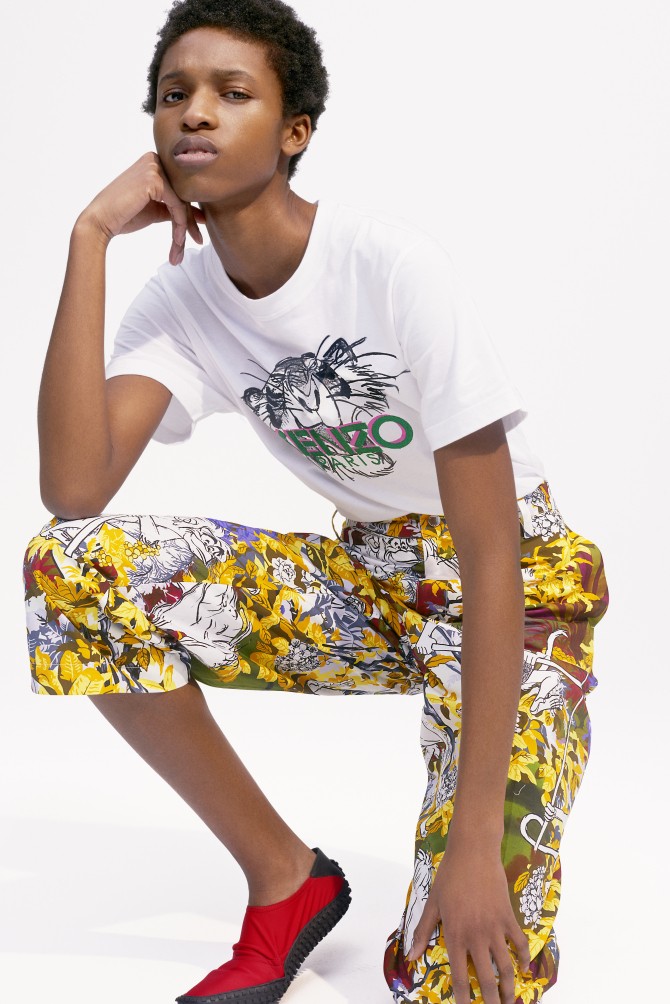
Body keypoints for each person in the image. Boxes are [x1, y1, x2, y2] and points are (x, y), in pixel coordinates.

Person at [21, 1, 610, 1002]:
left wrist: (472, 845)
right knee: (73, 571)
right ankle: (286, 880)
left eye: (231, 93)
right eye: (173, 94)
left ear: (294, 131)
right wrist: (89, 237)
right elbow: (74, 489)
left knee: (462, 972)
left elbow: (490, 549)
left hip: (516, 595)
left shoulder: (388, 266)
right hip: (372, 576)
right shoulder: (181, 301)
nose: (195, 112)